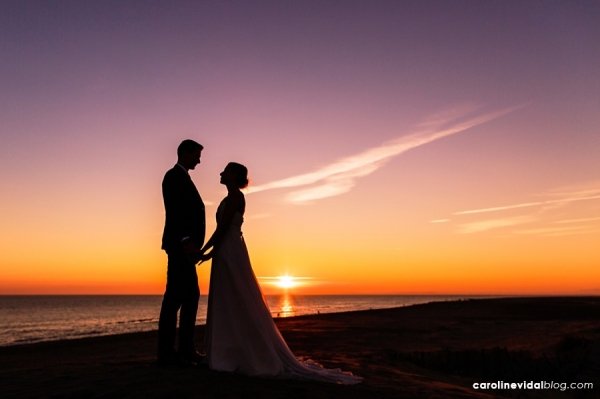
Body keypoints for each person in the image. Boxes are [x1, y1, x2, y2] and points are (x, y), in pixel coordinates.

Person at [200, 162, 362, 384]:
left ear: (233, 176)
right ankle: (226, 350)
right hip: (226, 250)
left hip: (229, 251)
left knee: (236, 297)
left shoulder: (236, 197)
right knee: (227, 299)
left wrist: (205, 251)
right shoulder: (230, 198)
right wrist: (210, 251)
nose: (220, 173)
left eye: (225, 171)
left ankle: (240, 354)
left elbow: (223, 229)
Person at [157, 139, 206, 366]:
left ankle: (183, 350)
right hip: (180, 246)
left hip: (185, 247)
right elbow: (176, 211)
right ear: (185, 153)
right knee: (176, 298)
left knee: (186, 296)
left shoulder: (182, 176)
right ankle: (172, 352)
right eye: (197, 154)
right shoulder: (173, 177)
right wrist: (186, 240)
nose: (199, 159)